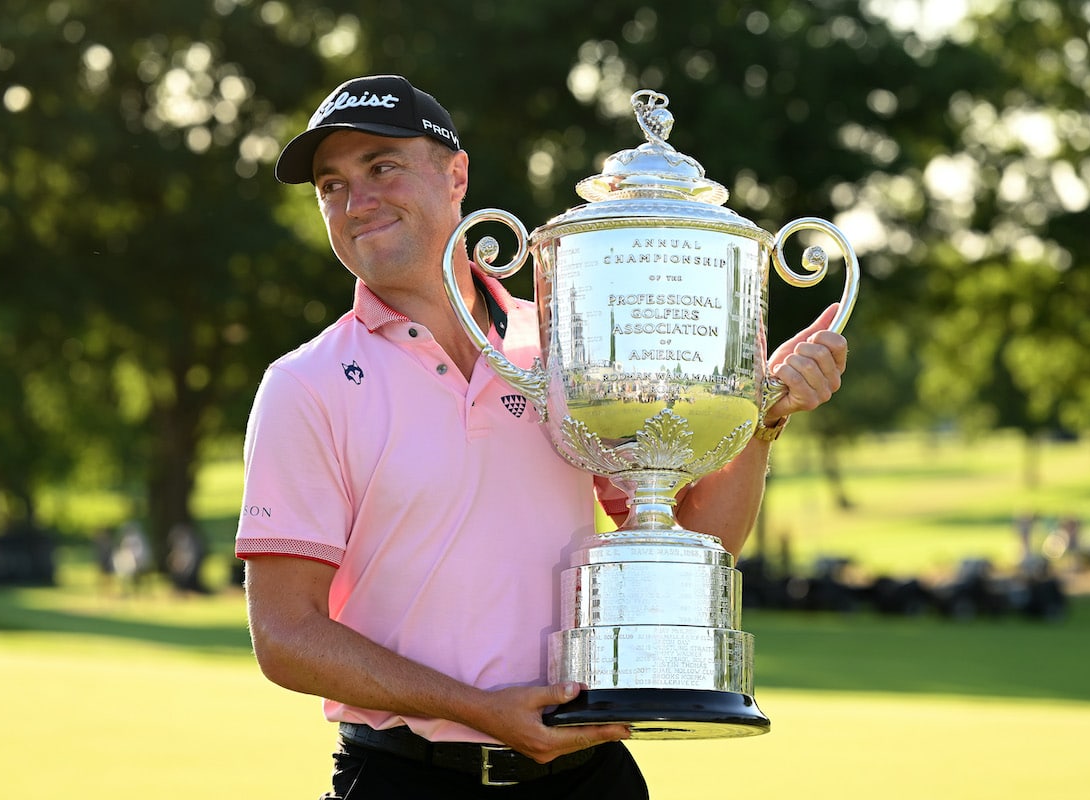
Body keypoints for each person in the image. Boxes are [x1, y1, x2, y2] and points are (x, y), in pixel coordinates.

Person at [236, 74, 849, 799]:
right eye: (330, 186)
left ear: (455, 174)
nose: (355, 201)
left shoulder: (568, 344)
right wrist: (478, 710)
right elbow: (286, 636)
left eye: (382, 166)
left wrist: (757, 421)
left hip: (586, 778)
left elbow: (684, 539)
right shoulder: (305, 383)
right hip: (406, 779)